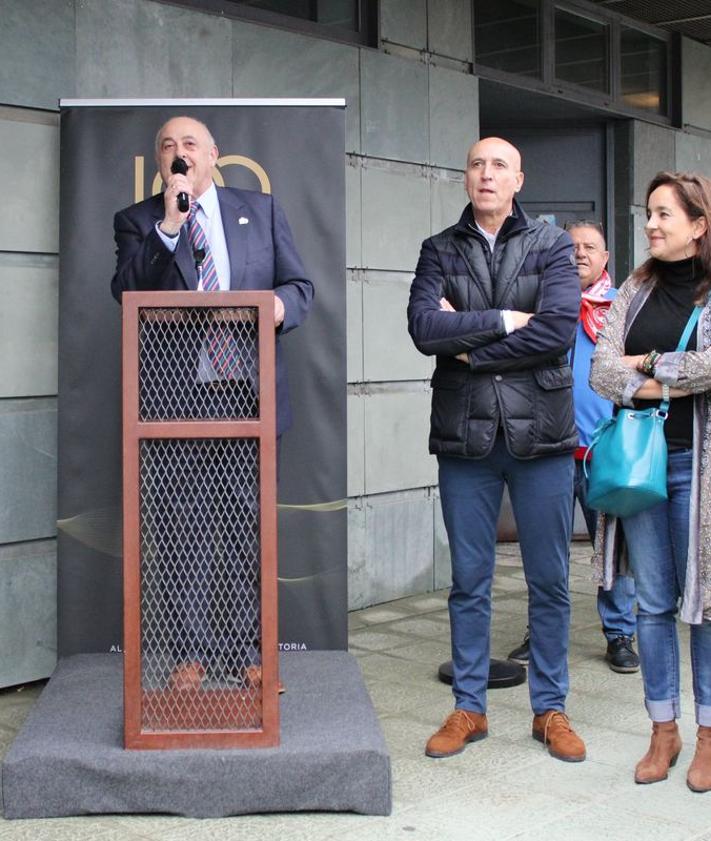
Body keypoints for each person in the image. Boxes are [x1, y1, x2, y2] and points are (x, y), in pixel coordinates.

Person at [111, 116, 313, 692]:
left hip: (249, 390)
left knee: (252, 526)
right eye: (168, 146)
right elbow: (126, 293)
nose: (180, 153)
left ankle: (250, 649)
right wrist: (171, 227)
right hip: (176, 400)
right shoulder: (140, 221)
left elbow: (299, 287)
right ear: (159, 161)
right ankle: (190, 655)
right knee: (187, 530)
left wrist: (275, 308)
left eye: (190, 144)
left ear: (214, 155)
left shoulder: (261, 210)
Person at [408, 136, 586, 762]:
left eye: (499, 166)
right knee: (469, 581)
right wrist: (511, 320)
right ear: (466, 178)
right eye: (477, 164)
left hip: (541, 436)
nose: (486, 174)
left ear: (519, 180)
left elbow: (560, 328)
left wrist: (472, 344)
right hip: (466, 437)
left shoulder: (552, 243)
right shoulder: (439, 249)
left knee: (550, 580)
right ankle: (469, 708)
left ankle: (551, 709)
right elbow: (424, 329)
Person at [590, 171, 711, 792]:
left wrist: (650, 366)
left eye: (665, 214)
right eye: (648, 213)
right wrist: (660, 379)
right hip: (643, 466)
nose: (651, 225)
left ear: (699, 224)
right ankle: (663, 730)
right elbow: (600, 370)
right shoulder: (635, 288)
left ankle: (709, 736)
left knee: (706, 606)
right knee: (654, 603)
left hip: (700, 466)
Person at [507, 221, 639, 674]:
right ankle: (542, 633)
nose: (580, 253)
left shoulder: (625, 308)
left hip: (605, 451)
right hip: (547, 450)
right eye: (571, 246)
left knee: (614, 548)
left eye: (590, 247)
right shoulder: (541, 303)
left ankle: (620, 634)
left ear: (605, 258)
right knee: (546, 551)